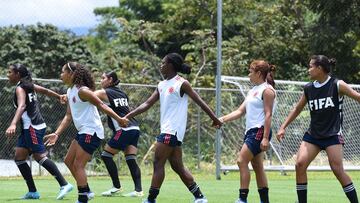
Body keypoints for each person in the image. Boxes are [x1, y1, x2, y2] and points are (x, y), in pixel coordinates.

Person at [125, 53, 222, 203]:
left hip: (173, 131)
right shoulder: (161, 85)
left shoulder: (182, 83)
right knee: (177, 166)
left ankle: (151, 199)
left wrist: (214, 118)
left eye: (163, 63)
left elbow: (200, 102)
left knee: (158, 163)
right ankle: (200, 197)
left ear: (170, 65)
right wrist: (128, 116)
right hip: (170, 131)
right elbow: (147, 104)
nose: (161, 65)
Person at [276, 55, 359, 203]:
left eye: (311, 66)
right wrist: (283, 126)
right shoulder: (309, 88)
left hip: (332, 134)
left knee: (337, 170)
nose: (309, 70)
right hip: (313, 135)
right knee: (300, 164)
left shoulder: (337, 84)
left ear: (319, 68)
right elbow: (297, 108)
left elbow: (357, 97)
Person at [43, 62, 128, 203]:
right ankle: (86, 191)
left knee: (78, 165)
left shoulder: (83, 91)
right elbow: (68, 116)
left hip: (91, 131)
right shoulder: (71, 92)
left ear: (72, 74)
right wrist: (56, 133)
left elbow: (101, 105)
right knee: (68, 161)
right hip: (84, 131)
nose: (61, 75)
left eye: (63, 72)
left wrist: (119, 119)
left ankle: (83, 197)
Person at [5, 63, 73, 200]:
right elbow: (45, 91)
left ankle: (64, 184)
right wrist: (58, 96)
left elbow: (22, 105)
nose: (8, 75)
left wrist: (12, 123)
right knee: (19, 157)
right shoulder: (28, 85)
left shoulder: (20, 88)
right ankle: (33, 192)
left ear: (17, 74)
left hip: (32, 127)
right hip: (29, 128)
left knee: (39, 156)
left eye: (10, 72)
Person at [220, 60, 276, 203]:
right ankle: (265, 201)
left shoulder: (267, 90)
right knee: (257, 166)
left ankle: (242, 199)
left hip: (259, 131)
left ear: (258, 73)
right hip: (251, 132)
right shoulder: (253, 91)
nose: (248, 74)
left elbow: (268, 115)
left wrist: (265, 138)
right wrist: (222, 119)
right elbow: (240, 111)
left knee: (241, 161)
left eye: (250, 71)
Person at [94, 71, 143, 197]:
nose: (101, 81)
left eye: (103, 78)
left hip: (124, 129)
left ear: (110, 80)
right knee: (131, 159)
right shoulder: (122, 93)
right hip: (134, 128)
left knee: (106, 155)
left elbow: (89, 96)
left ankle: (116, 187)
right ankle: (138, 191)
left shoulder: (105, 92)